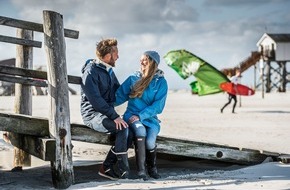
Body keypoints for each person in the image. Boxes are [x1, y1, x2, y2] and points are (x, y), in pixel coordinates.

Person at [80, 38, 129, 180]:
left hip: (106, 113)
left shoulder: (108, 70)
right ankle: (120, 169)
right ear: (108, 56)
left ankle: (106, 166)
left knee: (128, 128)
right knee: (121, 128)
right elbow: (96, 101)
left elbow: (118, 92)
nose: (118, 56)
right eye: (116, 53)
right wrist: (114, 116)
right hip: (93, 114)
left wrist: (136, 87)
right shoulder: (90, 72)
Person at [115, 51, 168, 180]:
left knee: (150, 141)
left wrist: (141, 115)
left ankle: (152, 168)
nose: (141, 62)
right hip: (131, 116)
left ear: (152, 62)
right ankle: (141, 171)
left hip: (150, 119)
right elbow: (118, 96)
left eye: (144, 60)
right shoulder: (133, 78)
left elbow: (158, 106)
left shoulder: (161, 82)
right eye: (141, 59)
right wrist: (102, 105)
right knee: (140, 130)